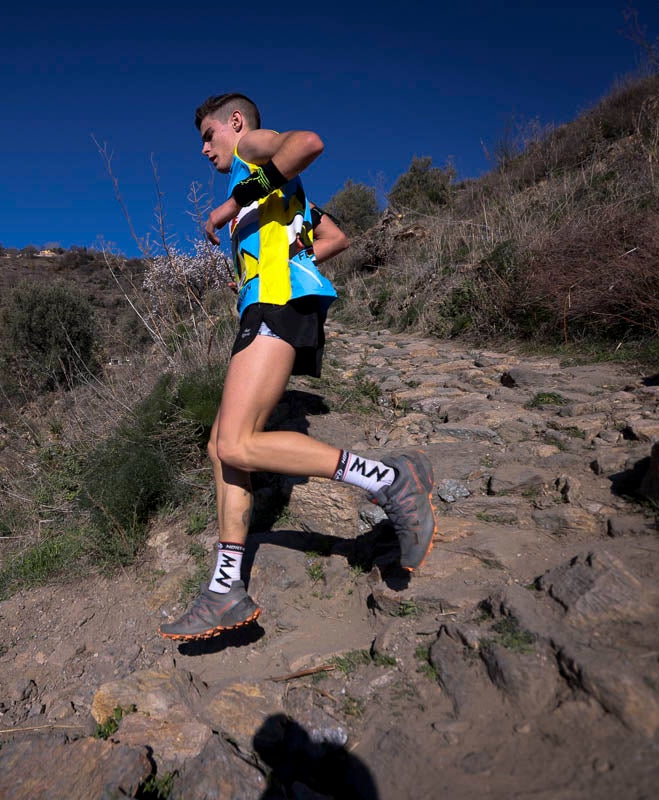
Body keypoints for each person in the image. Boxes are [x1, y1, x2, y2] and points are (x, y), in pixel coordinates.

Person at [159, 93, 437, 641]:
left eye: (207, 135)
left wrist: (230, 204)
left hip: (275, 302)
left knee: (237, 444)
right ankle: (225, 588)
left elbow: (307, 144)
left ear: (234, 123)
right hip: (270, 300)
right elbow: (335, 237)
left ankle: (388, 481)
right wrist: (295, 251)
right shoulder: (275, 194)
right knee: (223, 446)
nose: (204, 148)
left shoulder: (252, 152)